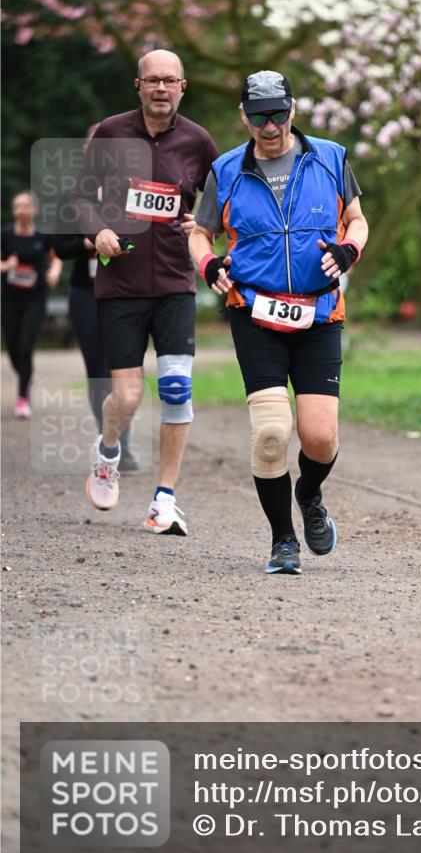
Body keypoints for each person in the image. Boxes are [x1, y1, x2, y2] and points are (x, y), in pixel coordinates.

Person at [190, 70, 368, 575]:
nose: (270, 126)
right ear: (244, 116)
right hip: (255, 312)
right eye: (259, 116)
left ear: (293, 110)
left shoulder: (330, 157)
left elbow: (356, 218)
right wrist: (209, 265)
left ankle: (309, 495)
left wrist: (349, 247)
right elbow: (199, 233)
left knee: (319, 439)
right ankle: (282, 540)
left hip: (318, 313)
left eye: (278, 114)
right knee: (271, 432)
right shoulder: (225, 169)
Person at [68, 49, 218, 534]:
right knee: (128, 398)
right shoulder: (111, 132)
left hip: (176, 283)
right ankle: (108, 449)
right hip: (122, 283)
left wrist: (207, 224)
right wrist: (97, 233)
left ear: (182, 87)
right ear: (138, 86)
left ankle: (164, 499)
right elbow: (77, 196)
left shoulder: (198, 141)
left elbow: (223, 202)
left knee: (176, 389)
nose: (160, 88)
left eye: (168, 81)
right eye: (151, 80)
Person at [53, 125, 138, 471]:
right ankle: (113, 442)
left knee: (124, 370)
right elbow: (59, 246)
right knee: (98, 371)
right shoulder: (70, 195)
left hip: (124, 291)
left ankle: (121, 442)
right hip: (85, 292)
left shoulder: (130, 191)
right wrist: (91, 242)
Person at [1, 191, 62, 418]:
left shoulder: (43, 236)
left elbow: (55, 257)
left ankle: (22, 398)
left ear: (34, 209)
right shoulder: (5, 235)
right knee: (14, 350)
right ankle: (27, 376)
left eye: (26, 206)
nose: (21, 210)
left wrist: (54, 272)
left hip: (35, 299)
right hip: (9, 300)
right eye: (17, 206)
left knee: (26, 347)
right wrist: (7, 266)